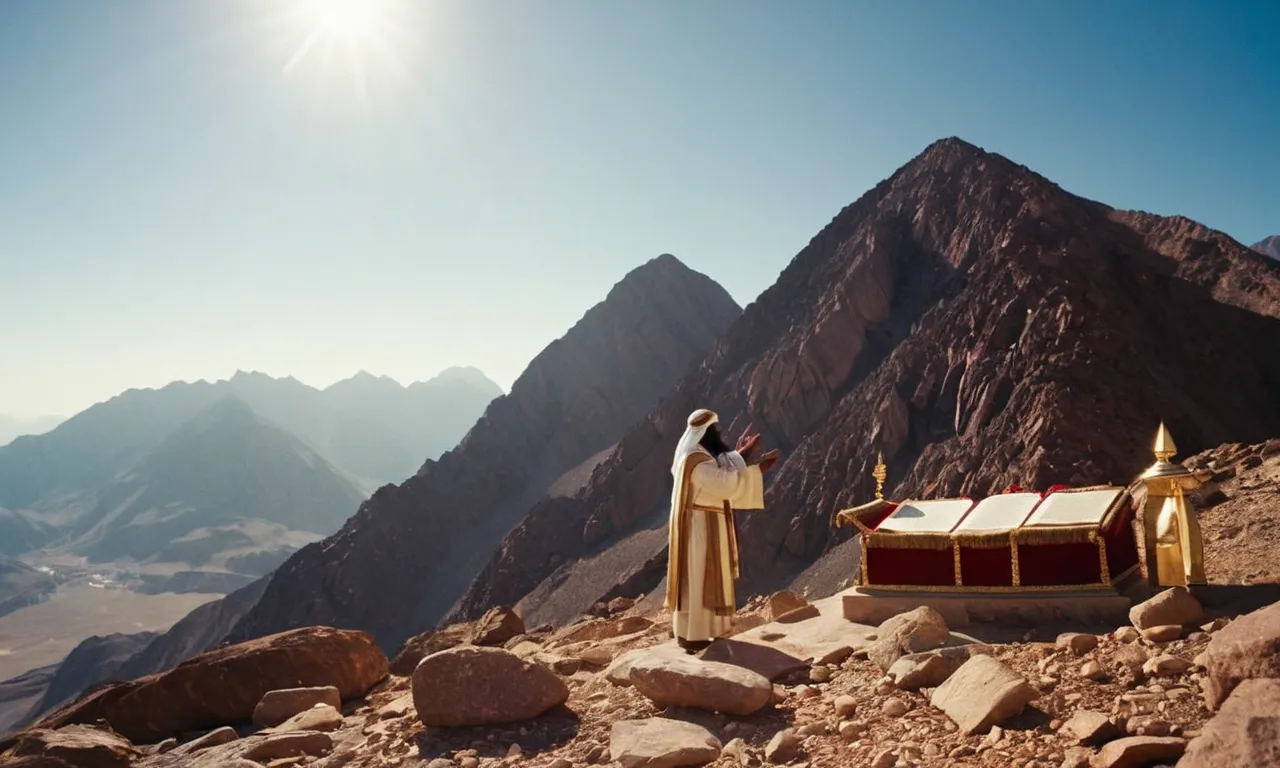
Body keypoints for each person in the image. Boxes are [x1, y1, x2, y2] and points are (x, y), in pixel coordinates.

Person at [665, 408, 780, 653]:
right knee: (701, 578)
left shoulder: (699, 452)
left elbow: (722, 467)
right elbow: (723, 484)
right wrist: (759, 469)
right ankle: (696, 635)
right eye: (715, 429)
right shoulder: (695, 460)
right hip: (701, 527)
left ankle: (704, 631)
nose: (719, 432)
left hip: (705, 522)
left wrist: (745, 452)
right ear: (704, 432)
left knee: (704, 578)